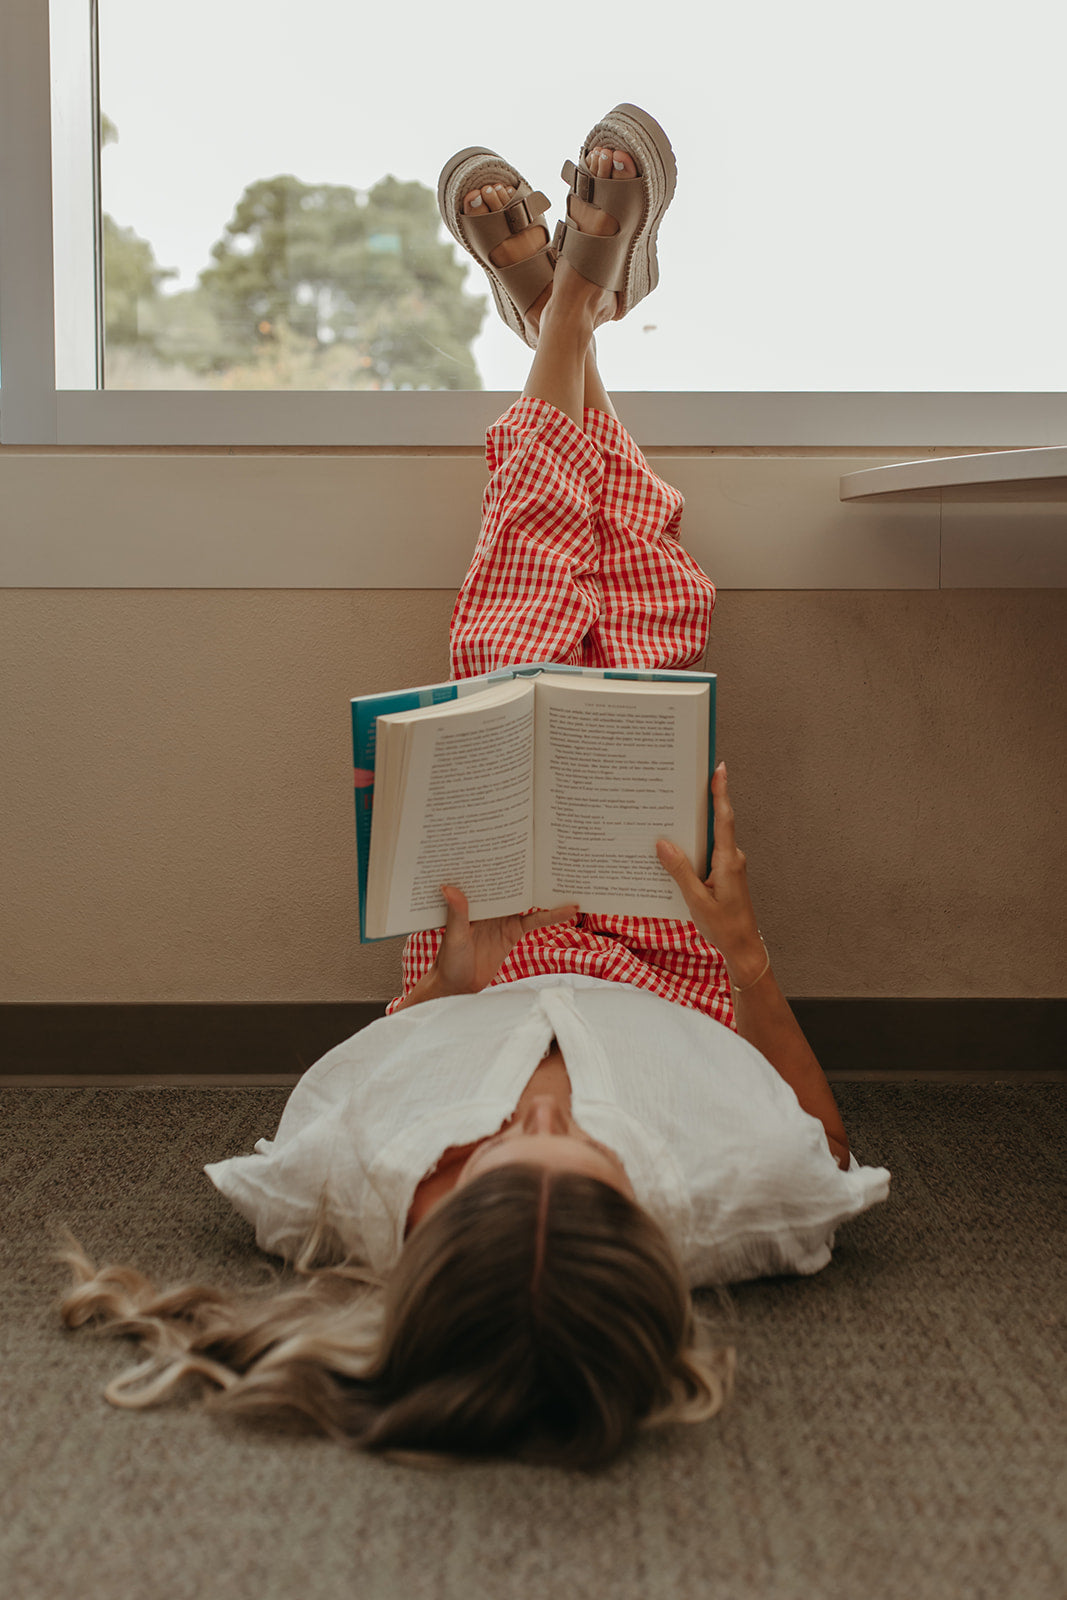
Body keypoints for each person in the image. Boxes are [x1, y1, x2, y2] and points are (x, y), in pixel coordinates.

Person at [59, 105, 889, 1472]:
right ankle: (569, 311)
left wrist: (453, 979)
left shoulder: (350, 1189)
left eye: (501, 1159)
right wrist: (746, 955)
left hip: (485, 946)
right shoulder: (733, 1211)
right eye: (593, 1164)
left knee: (507, 650)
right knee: (649, 610)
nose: (549, 1121)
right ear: (651, 1230)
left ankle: (567, 303)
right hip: (664, 957)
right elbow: (825, 1140)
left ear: (431, 1229)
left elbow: (363, 1069)